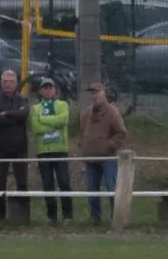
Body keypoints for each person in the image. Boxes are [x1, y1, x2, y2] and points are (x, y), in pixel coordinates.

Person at [75, 80, 128, 225]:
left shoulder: (112, 112)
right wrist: (83, 144)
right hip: (90, 158)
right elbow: (82, 132)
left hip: (108, 158)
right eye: (92, 93)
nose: (94, 96)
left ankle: (116, 218)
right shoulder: (86, 114)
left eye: (96, 93)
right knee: (92, 191)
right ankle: (95, 219)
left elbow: (121, 133)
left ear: (103, 94)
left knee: (112, 189)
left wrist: (109, 145)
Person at [0, 68, 31, 223]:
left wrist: (6, 113)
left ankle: (24, 217)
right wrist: (14, 116)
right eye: (5, 82)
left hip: (20, 148)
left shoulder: (22, 100)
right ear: (1, 83)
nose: (8, 84)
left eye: (11, 82)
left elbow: (24, 115)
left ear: (16, 83)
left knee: (22, 183)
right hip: (0, 148)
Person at [31, 77, 73, 223]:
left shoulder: (62, 104)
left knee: (64, 182)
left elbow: (63, 120)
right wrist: (53, 124)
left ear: (55, 90)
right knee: (47, 184)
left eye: (50, 87)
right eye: (45, 88)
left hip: (60, 149)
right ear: (40, 91)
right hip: (43, 151)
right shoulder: (36, 108)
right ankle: (52, 216)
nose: (48, 90)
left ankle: (68, 215)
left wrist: (43, 120)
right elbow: (35, 128)